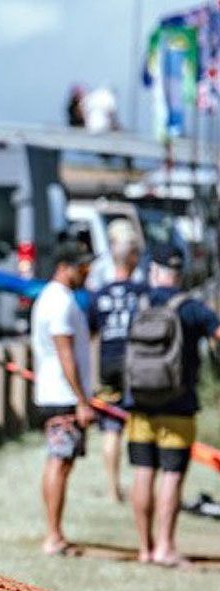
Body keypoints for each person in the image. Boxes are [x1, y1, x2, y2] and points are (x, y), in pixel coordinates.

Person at [124, 243, 220, 567]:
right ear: (179, 274)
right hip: (179, 405)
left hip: (138, 402)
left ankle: (143, 548)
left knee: (143, 472)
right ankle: (165, 547)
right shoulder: (192, 307)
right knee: (172, 475)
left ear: (154, 271)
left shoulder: (138, 303)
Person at [29, 241, 95, 556]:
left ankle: (55, 532)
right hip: (62, 395)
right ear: (65, 266)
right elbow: (65, 354)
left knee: (61, 462)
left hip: (58, 392)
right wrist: (82, 400)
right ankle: (53, 536)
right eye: (83, 265)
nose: (88, 271)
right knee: (59, 461)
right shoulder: (59, 302)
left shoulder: (56, 298)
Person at [85, 222, 146, 501]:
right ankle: (141, 487)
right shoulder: (142, 294)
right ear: (133, 258)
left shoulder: (101, 295)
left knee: (111, 428)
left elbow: (91, 336)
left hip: (109, 364)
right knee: (140, 425)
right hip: (138, 366)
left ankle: (112, 489)